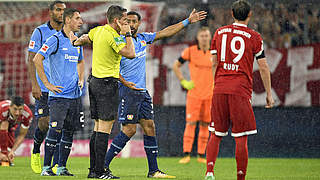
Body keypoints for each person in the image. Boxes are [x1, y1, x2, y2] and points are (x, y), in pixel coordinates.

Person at [103, 10, 207, 178]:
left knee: (150, 127)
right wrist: (124, 82)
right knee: (129, 130)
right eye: (127, 21)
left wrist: (187, 21)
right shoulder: (117, 41)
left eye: (134, 21)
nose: (130, 24)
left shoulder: (143, 39)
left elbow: (165, 32)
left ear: (138, 23)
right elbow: (110, 67)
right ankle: (102, 166)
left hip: (142, 92)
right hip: (128, 91)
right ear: (122, 23)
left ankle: (153, 171)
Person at [205, 1, 275, 180]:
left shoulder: (219, 32)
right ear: (250, 14)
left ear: (231, 13)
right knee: (241, 136)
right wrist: (269, 93)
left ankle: (209, 172)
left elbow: (214, 63)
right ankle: (240, 177)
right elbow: (264, 67)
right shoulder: (254, 37)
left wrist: (217, 83)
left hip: (220, 88)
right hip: (240, 90)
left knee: (216, 133)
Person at [70, 5, 136, 179]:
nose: (127, 23)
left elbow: (85, 38)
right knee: (105, 129)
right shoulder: (114, 36)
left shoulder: (98, 31)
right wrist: (127, 33)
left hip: (94, 83)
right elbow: (131, 53)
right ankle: (100, 171)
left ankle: (93, 171)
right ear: (117, 21)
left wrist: (75, 41)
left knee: (98, 128)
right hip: (107, 85)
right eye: (124, 20)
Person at [33, 8, 84, 176]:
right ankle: (47, 168)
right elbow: (37, 58)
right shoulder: (54, 39)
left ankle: (61, 167)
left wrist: (81, 78)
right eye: (77, 18)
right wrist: (46, 83)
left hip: (75, 95)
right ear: (68, 20)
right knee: (55, 129)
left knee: (69, 131)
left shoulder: (77, 41)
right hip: (59, 97)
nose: (81, 21)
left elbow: (80, 62)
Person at [27, 0, 66, 174]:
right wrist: (34, 84)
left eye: (64, 10)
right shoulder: (40, 32)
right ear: (50, 12)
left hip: (62, 88)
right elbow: (31, 59)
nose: (61, 13)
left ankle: (57, 163)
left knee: (59, 125)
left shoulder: (68, 33)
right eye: (58, 10)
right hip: (43, 86)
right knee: (43, 123)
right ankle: (36, 150)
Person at [172, 27, 213, 164]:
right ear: (198, 37)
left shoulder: (214, 53)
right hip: (194, 94)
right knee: (190, 123)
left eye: (206, 36)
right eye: (202, 36)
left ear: (210, 37)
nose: (204, 38)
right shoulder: (190, 51)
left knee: (205, 124)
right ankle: (186, 154)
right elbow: (176, 65)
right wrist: (183, 81)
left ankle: (201, 155)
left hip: (210, 94)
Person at [0, 96, 33, 166]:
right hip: (3, 125)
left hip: (10, 128)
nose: (17, 113)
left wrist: (12, 151)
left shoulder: (27, 114)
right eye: (15, 109)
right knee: (4, 123)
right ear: (10, 107)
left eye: (20, 110)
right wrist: (2, 152)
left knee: (8, 153)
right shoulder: (2, 109)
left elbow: (22, 135)